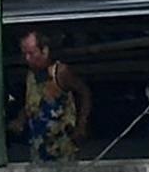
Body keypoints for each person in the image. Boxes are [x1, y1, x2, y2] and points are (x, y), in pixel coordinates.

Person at [11, 28, 90, 162]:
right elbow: (32, 104)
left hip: (62, 148)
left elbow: (84, 93)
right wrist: (20, 119)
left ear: (44, 51)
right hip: (38, 147)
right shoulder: (31, 75)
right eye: (24, 54)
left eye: (31, 53)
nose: (27, 59)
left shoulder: (60, 72)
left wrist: (81, 125)